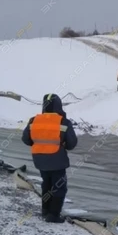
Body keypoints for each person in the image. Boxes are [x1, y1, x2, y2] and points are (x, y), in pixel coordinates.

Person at [22, 93, 78, 223]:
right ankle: (53, 215)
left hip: (40, 160)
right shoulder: (63, 122)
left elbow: (26, 139)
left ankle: (45, 211)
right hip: (57, 159)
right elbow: (72, 144)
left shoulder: (33, 120)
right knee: (59, 187)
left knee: (46, 184)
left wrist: (38, 143)